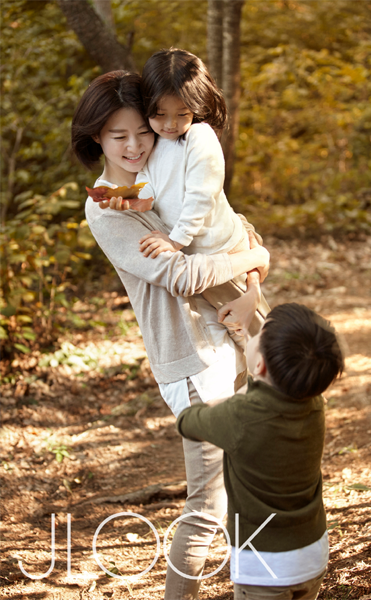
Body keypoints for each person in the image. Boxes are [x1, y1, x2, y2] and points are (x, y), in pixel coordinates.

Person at [71, 70, 271, 600]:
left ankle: (258, 589)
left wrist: (252, 281)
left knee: (252, 483)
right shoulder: (107, 205)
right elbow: (181, 274)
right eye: (119, 136)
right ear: (97, 138)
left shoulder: (171, 160)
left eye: (143, 131)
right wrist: (258, 257)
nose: (135, 146)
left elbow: (234, 221)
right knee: (207, 504)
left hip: (240, 336)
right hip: (191, 360)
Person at [177, 303, 345, 600]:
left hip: (265, 564)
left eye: (258, 334)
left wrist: (221, 404)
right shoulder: (314, 404)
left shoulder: (240, 416)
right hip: (312, 552)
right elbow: (270, 392)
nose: (252, 335)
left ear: (260, 365)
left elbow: (187, 422)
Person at [103, 47, 269, 339]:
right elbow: (151, 187)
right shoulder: (156, 144)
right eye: (159, 114)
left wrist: (175, 239)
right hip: (203, 258)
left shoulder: (199, 137)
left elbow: (200, 196)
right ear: (147, 106)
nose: (170, 124)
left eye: (182, 113)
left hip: (223, 247)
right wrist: (131, 200)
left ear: (196, 106)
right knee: (238, 338)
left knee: (261, 339)